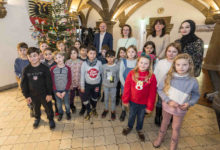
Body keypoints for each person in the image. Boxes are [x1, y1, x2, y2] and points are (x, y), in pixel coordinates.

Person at [153, 53, 200, 150]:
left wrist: (189, 103)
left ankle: (173, 144)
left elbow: (196, 95)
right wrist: (168, 101)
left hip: (180, 110)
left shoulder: (193, 81)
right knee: (164, 122)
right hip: (167, 106)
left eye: (184, 65)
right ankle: (160, 137)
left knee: (176, 127)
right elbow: (159, 89)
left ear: (189, 65)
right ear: (174, 65)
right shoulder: (168, 76)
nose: (181, 67)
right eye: (178, 65)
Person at [122, 53, 157, 141]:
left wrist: (150, 106)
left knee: (141, 117)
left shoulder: (152, 77)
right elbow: (127, 88)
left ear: (149, 65)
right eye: (141, 62)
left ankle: (139, 129)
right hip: (133, 101)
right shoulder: (132, 73)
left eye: (146, 63)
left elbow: (152, 93)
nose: (143, 65)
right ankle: (129, 126)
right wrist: (125, 100)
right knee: (131, 115)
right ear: (138, 62)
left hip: (143, 103)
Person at [20, 47, 55, 129]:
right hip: (33, 94)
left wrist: (49, 94)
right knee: (35, 108)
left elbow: (49, 82)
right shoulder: (26, 69)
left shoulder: (45, 68)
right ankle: (37, 118)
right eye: (30, 56)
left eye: (35, 55)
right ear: (28, 57)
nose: (33, 58)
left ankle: (50, 119)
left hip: (45, 94)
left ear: (39, 56)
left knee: (48, 107)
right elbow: (23, 84)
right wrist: (26, 95)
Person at [154, 43, 181, 126]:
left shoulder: (179, 64)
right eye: (169, 51)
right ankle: (158, 116)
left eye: (174, 52)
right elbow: (155, 74)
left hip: (174, 89)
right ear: (166, 52)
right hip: (161, 88)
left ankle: (170, 118)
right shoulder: (161, 62)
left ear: (178, 53)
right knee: (159, 103)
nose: (171, 54)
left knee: (172, 104)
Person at [80, 46, 102, 120]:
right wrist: (82, 86)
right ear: (87, 54)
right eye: (90, 53)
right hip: (87, 85)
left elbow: (101, 73)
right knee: (85, 98)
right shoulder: (84, 64)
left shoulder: (99, 63)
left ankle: (94, 108)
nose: (92, 55)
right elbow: (82, 76)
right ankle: (88, 110)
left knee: (94, 98)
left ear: (96, 54)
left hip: (96, 85)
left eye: (94, 53)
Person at [51, 52, 72, 121]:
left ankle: (68, 113)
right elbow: (52, 81)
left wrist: (65, 91)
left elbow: (69, 80)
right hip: (56, 90)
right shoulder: (53, 69)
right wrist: (55, 91)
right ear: (55, 60)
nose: (58, 59)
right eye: (56, 58)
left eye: (59, 57)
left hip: (65, 90)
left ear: (63, 57)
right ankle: (60, 113)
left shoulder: (68, 68)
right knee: (58, 104)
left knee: (67, 103)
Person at [119, 45, 137, 121]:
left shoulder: (137, 62)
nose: (131, 53)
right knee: (124, 98)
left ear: (136, 53)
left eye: (133, 52)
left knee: (133, 99)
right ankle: (123, 111)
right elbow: (120, 74)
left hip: (134, 86)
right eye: (129, 52)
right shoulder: (123, 61)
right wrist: (125, 85)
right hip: (125, 85)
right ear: (126, 53)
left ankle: (132, 112)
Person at [65, 47, 84, 115]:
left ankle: (83, 107)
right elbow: (66, 74)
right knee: (71, 96)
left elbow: (83, 74)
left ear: (77, 53)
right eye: (71, 53)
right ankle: (72, 106)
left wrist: (81, 84)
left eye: (74, 53)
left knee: (82, 96)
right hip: (71, 84)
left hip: (79, 83)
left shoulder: (81, 62)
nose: (73, 55)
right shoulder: (67, 62)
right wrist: (69, 84)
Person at [101, 50, 119, 120]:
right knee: (106, 98)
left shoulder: (117, 67)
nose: (110, 59)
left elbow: (117, 76)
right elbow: (102, 75)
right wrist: (103, 82)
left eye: (111, 57)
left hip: (113, 87)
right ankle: (106, 109)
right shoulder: (103, 66)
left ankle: (113, 111)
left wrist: (115, 83)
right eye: (108, 57)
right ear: (106, 58)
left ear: (114, 57)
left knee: (113, 99)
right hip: (105, 86)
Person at [42, 47, 59, 116]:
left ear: (53, 54)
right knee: (48, 99)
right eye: (46, 54)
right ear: (43, 55)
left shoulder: (56, 63)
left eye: (50, 54)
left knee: (56, 98)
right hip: (47, 85)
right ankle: (50, 111)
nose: (48, 56)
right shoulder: (43, 64)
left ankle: (57, 110)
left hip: (55, 84)